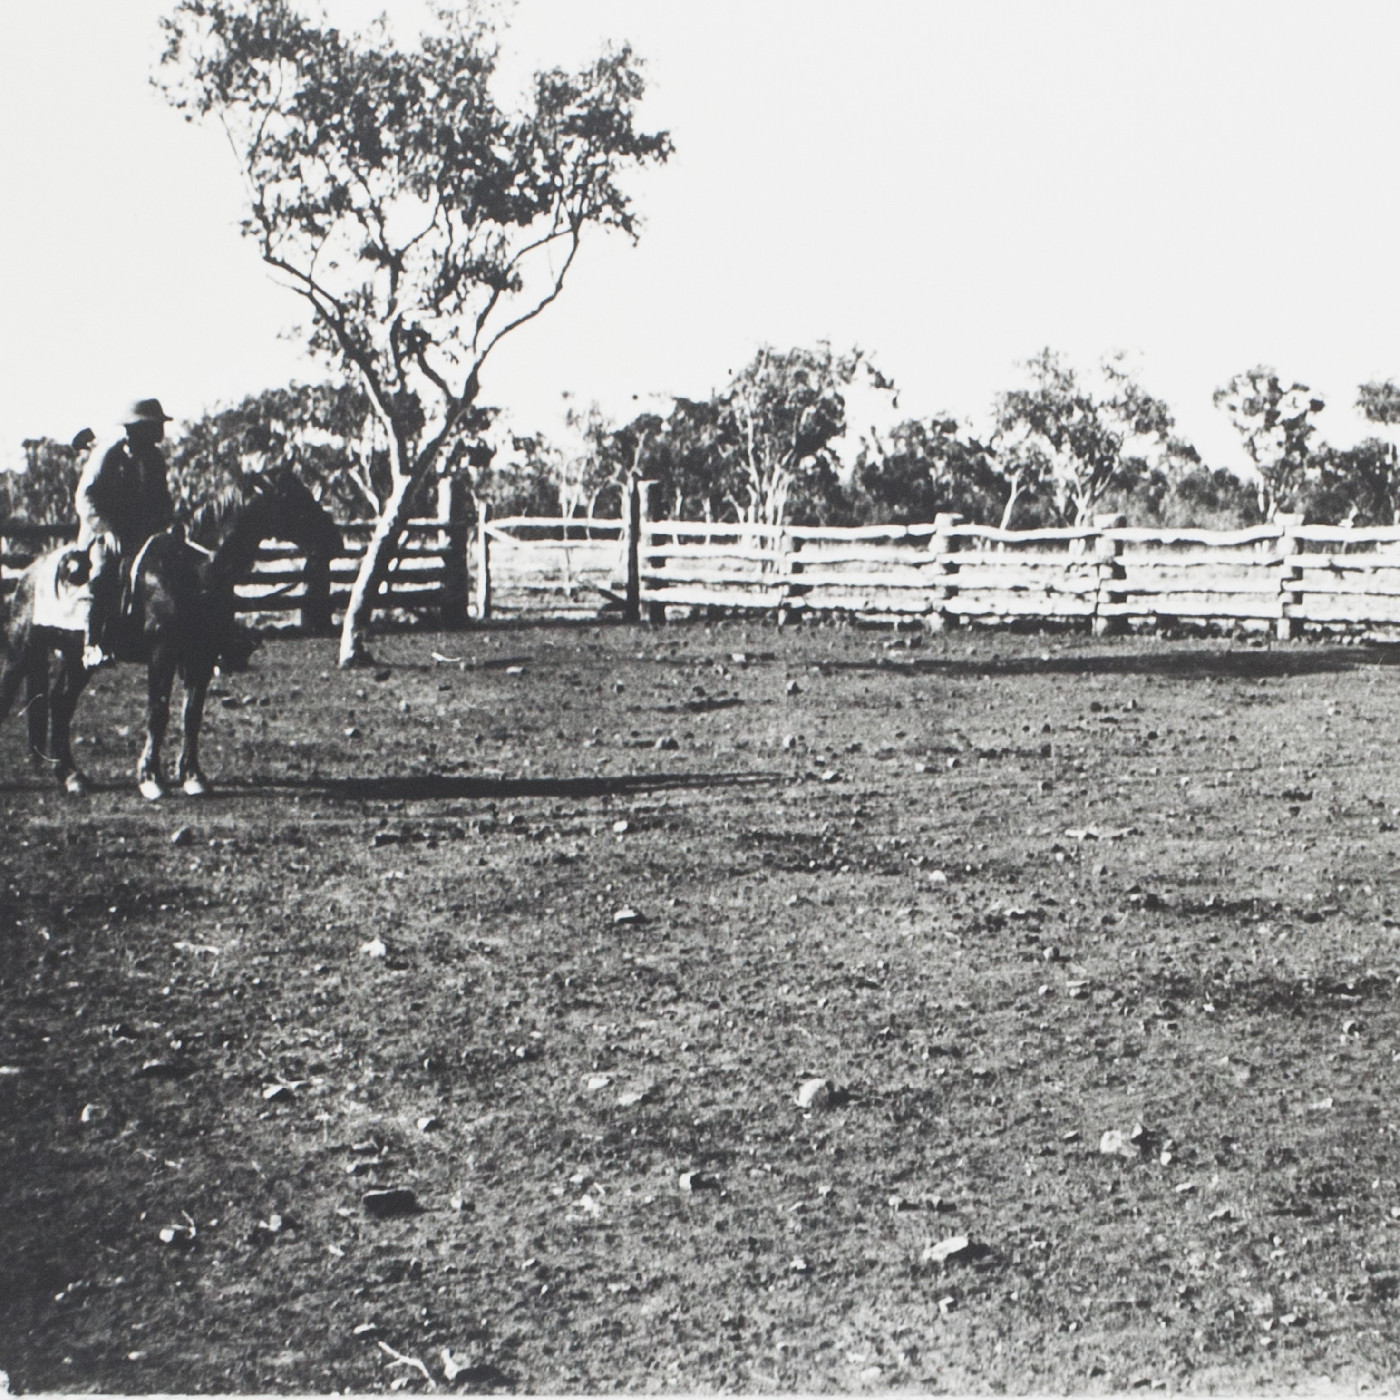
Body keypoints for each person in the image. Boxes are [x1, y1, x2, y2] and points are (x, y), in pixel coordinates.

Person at [75, 398, 177, 668]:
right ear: (136, 428)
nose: (159, 432)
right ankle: (92, 643)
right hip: (104, 533)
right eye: (154, 426)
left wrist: (170, 522)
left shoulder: (155, 458)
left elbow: (162, 499)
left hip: (141, 535)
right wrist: (106, 531)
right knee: (103, 571)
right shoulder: (109, 454)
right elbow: (85, 497)